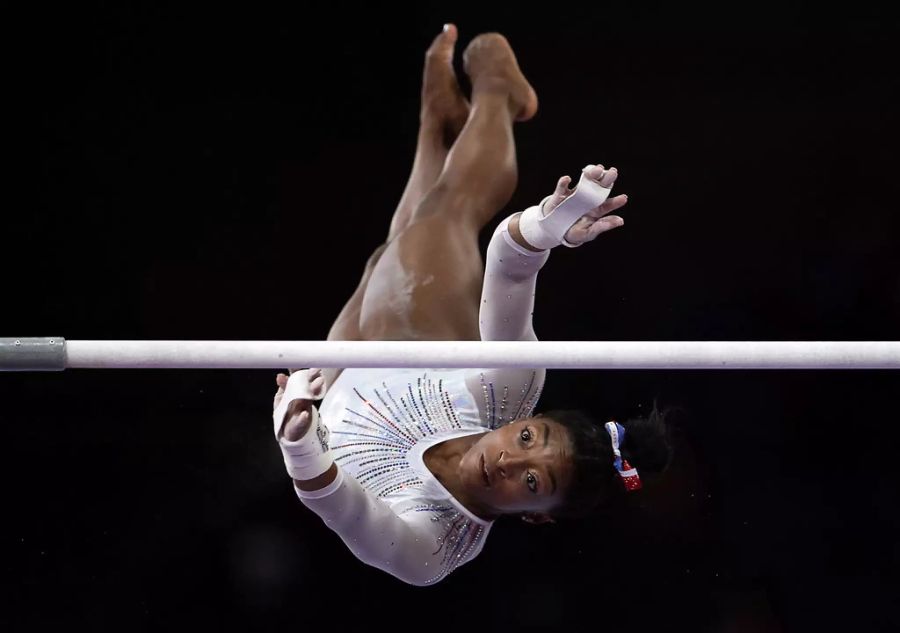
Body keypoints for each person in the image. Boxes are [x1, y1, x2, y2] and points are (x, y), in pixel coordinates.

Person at [271, 25, 672, 586]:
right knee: (446, 211)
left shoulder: (432, 551)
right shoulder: (509, 386)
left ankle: (437, 124)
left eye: (532, 483)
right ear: (526, 421)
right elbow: (508, 263)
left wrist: (297, 441)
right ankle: (497, 89)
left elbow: (343, 509)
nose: (509, 461)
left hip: (335, 381)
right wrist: (545, 227)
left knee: (391, 247)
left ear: (534, 516)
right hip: (414, 336)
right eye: (529, 439)